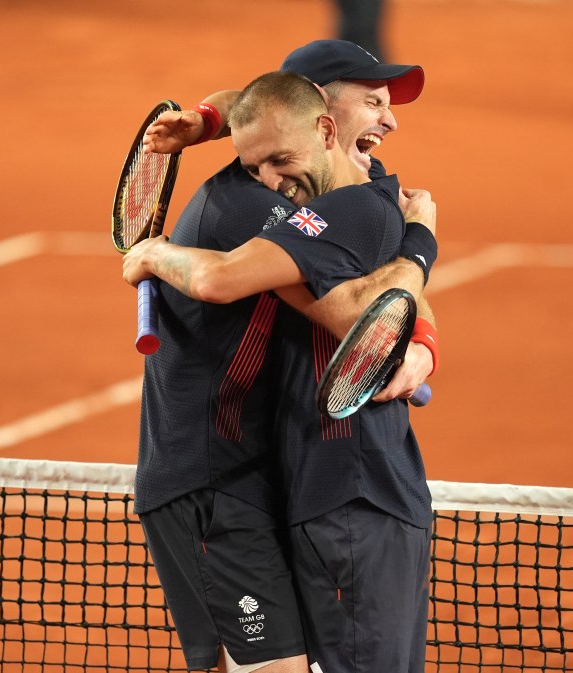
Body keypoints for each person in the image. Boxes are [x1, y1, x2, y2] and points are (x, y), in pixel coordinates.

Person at [128, 42, 436, 673]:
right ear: (323, 112)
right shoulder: (257, 201)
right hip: (208, 477)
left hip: (255, 473)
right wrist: (422, 244)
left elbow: (386, 289)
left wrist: (424, 340)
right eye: (372, 100)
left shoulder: (336, 186)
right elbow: (353, 306)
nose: (391, 119)